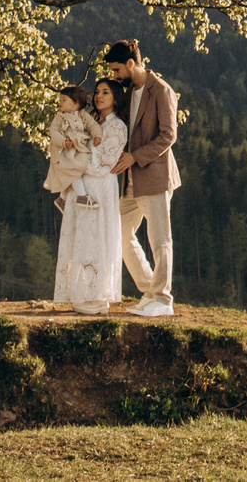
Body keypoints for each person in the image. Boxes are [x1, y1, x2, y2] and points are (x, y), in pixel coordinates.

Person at [104, 39, 181, 318]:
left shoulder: (161, 90)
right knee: (121, 235)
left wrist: (135, 157)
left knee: (160, 240)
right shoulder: (128, 92)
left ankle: (163, 300)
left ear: (131, 63)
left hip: (155, 177)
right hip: (130, 181)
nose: (115, 76)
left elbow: (168, 135)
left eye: (116, 69)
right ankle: (150, 291)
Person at [48, 81, 124, 314]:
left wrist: (74, 159)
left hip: (100, 187)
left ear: (116, 97)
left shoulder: (118, 127)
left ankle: (97, 296)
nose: (99, 96)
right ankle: (80, 293)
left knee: (97, 238)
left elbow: (105, 163)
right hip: (79, 187)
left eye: (106, 92)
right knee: (80, 237)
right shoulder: (85, 119)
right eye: (97, 92)